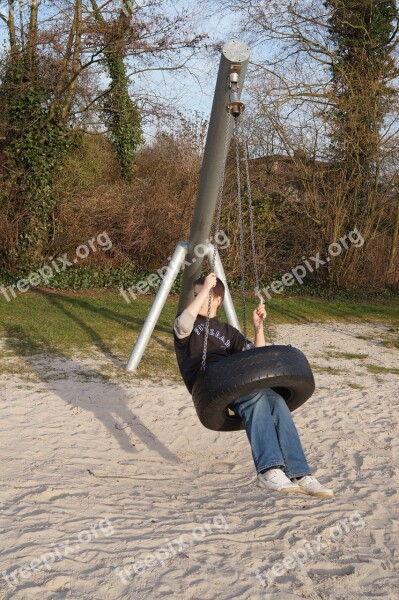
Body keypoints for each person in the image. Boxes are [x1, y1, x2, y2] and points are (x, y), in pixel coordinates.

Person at [173, 272, 333, 498]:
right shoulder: (188, 324)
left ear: (217, 301)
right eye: (195, 295)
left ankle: (300, 472)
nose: (195, 300)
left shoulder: (229, 332)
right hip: (211, 386)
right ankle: (268, 470)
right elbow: (182, 325)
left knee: (277, 401)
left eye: (201, 296)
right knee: (256, 397)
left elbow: (258, 363)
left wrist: (258, 328)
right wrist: (207, 288)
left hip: (236, 383)